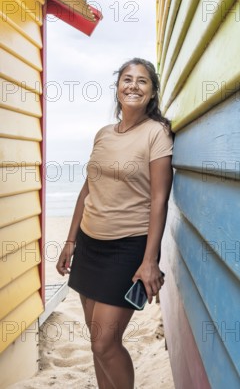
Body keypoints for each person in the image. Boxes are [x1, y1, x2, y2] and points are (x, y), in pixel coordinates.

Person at [56, 58, 173, 389]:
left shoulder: (156, 134)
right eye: (127, 79)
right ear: (118, 87)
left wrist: (150, 260)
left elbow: (159, 201)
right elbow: (87, 188)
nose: (133, 85)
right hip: (89, 243)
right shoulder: (103, 134)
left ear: (151, 93)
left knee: (105, 343)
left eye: (142, 81)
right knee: (97, 343)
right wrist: (70, 242)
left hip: (127, 248)